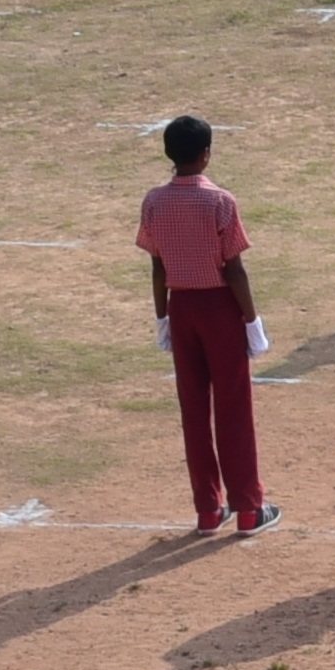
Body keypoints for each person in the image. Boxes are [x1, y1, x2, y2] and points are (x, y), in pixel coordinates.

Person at [134, 115, 268, 538]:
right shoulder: (220, 202)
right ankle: (248, 509)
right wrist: (252, 320)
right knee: (233, 409)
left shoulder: (153, 201)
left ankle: (208, 510)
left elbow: (156, 266)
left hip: (181, 307)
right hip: (220, 310)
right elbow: (235, 270)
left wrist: (162, 317)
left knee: (194, 410)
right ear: (206, 154)